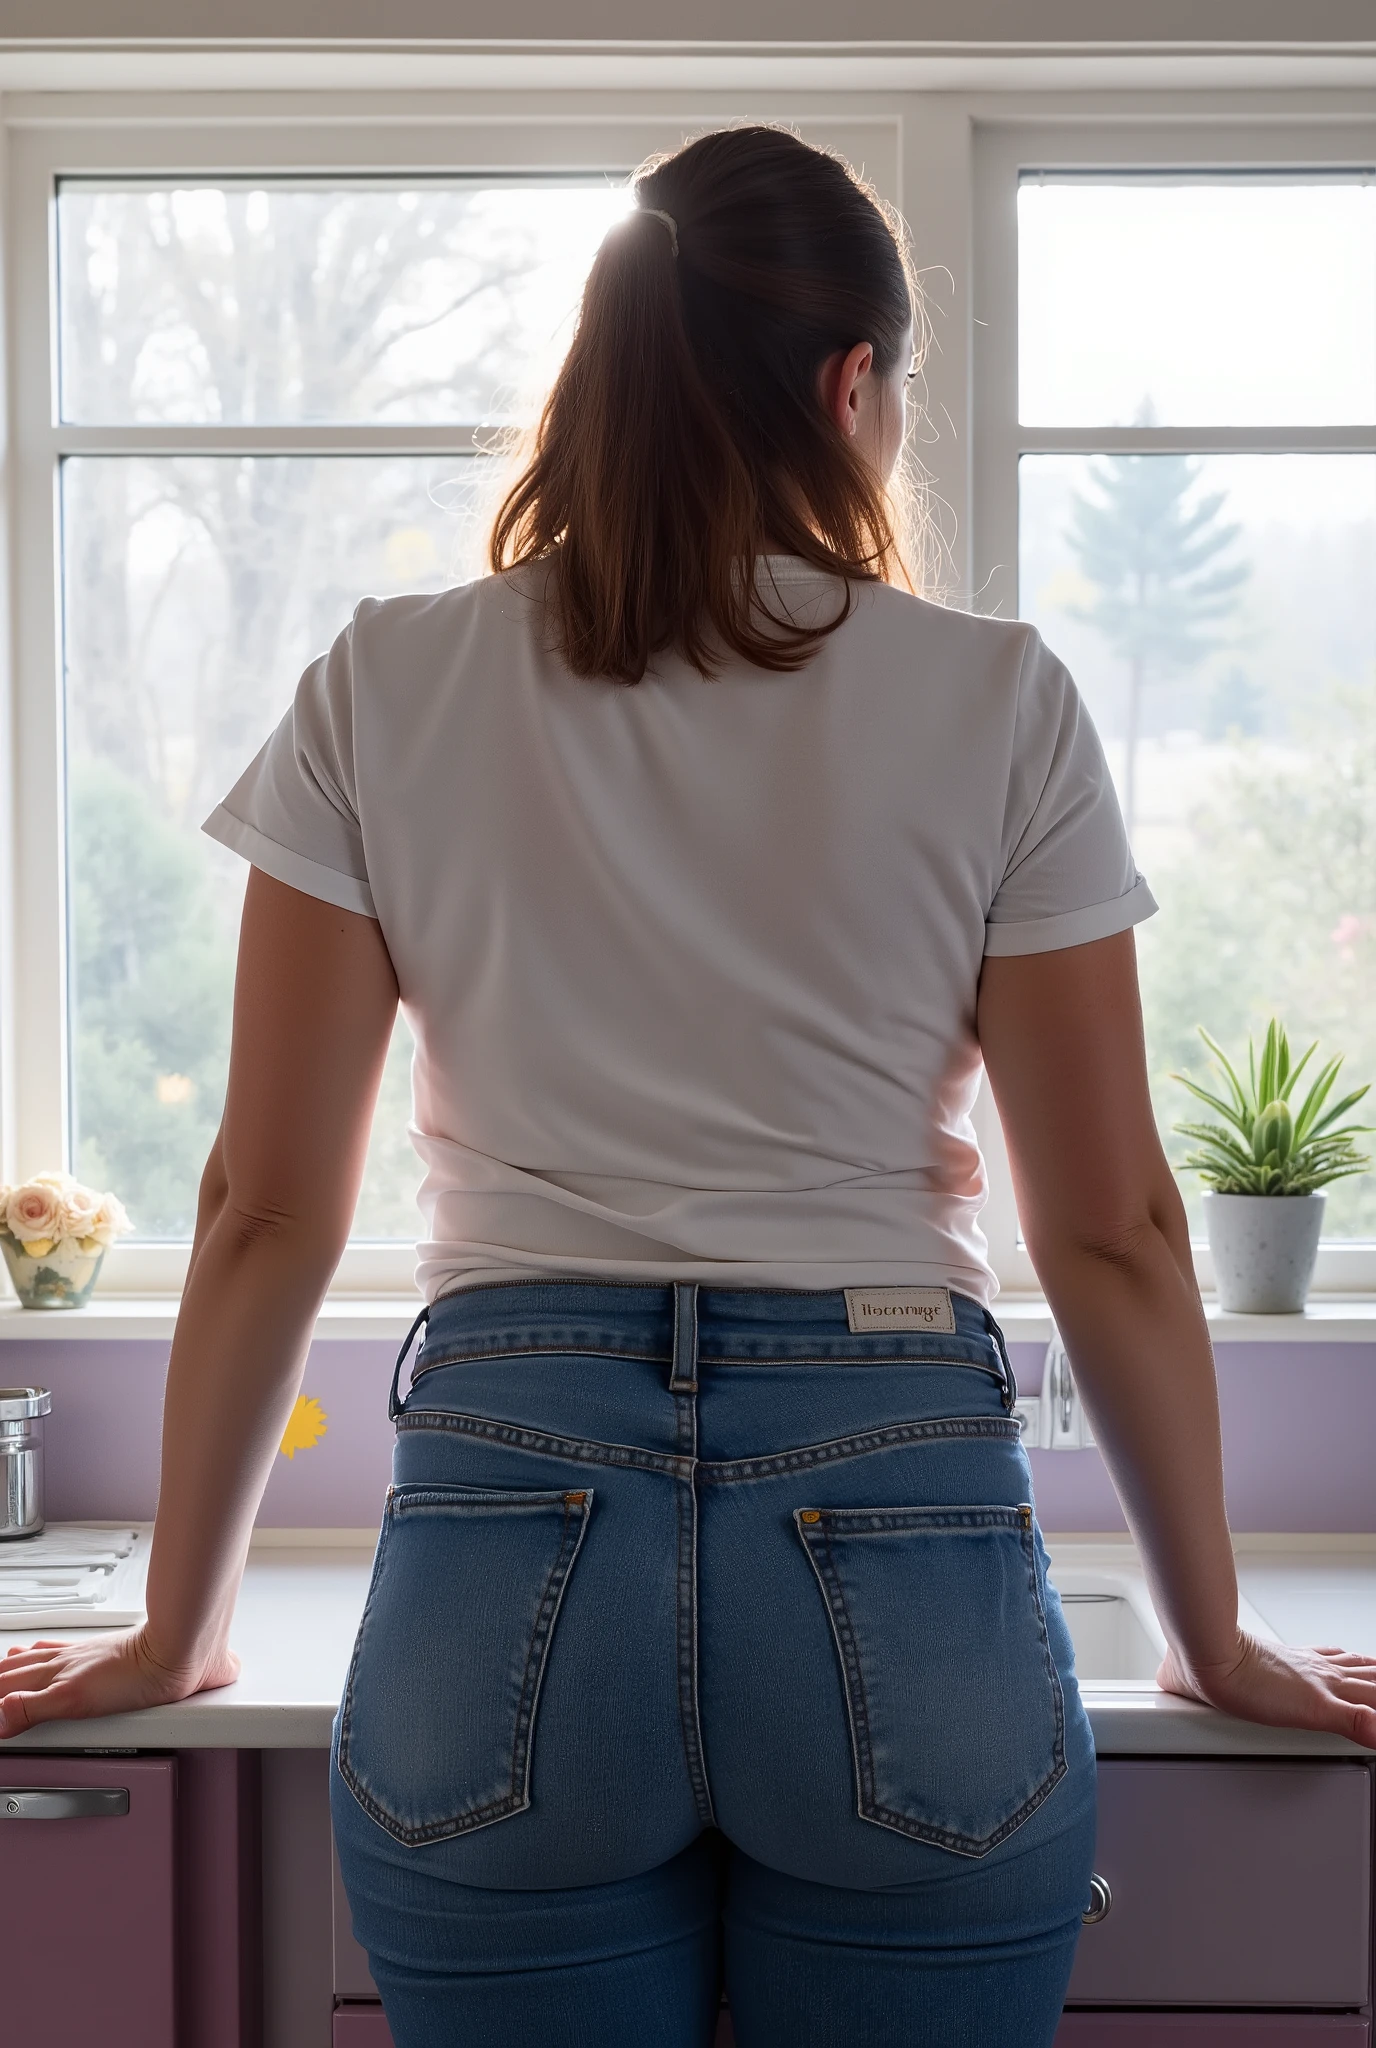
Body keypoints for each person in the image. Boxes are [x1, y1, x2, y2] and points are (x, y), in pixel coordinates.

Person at [3, 125, 1373, 2048]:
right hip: (901, 1497)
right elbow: (1118, 1229)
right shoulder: (999, 699)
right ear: (850, 384)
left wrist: (173, 1621)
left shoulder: (382, 683)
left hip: (506, 1514)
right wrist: (1213, 1631)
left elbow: (264, 1206)